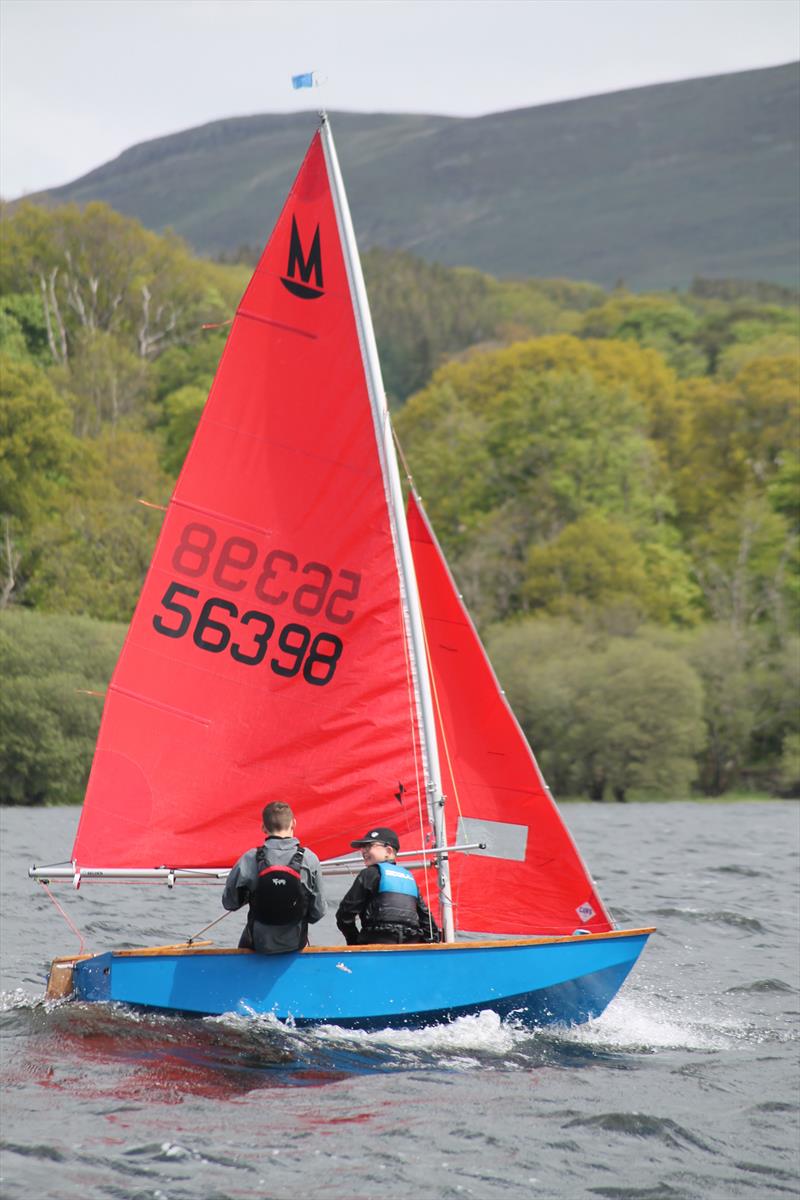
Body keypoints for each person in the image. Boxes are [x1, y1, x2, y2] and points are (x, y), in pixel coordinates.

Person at [222, 801, 326, 953]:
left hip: (258, 944)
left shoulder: (250, 858)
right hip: (295, 944)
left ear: (263, 828)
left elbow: (229, 903)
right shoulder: (310, 859)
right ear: (293, 823)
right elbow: (318, 911)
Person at [335, 826, 441, 945]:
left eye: (369, 846)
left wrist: (355, 943)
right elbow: (427, 922)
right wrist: (430, 946)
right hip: (409, 947)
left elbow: (344, 915)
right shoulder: (409, 878)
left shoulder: (369, 874)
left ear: (389, 851)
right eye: (362, 847)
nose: (363, 851)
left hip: (376, 945)